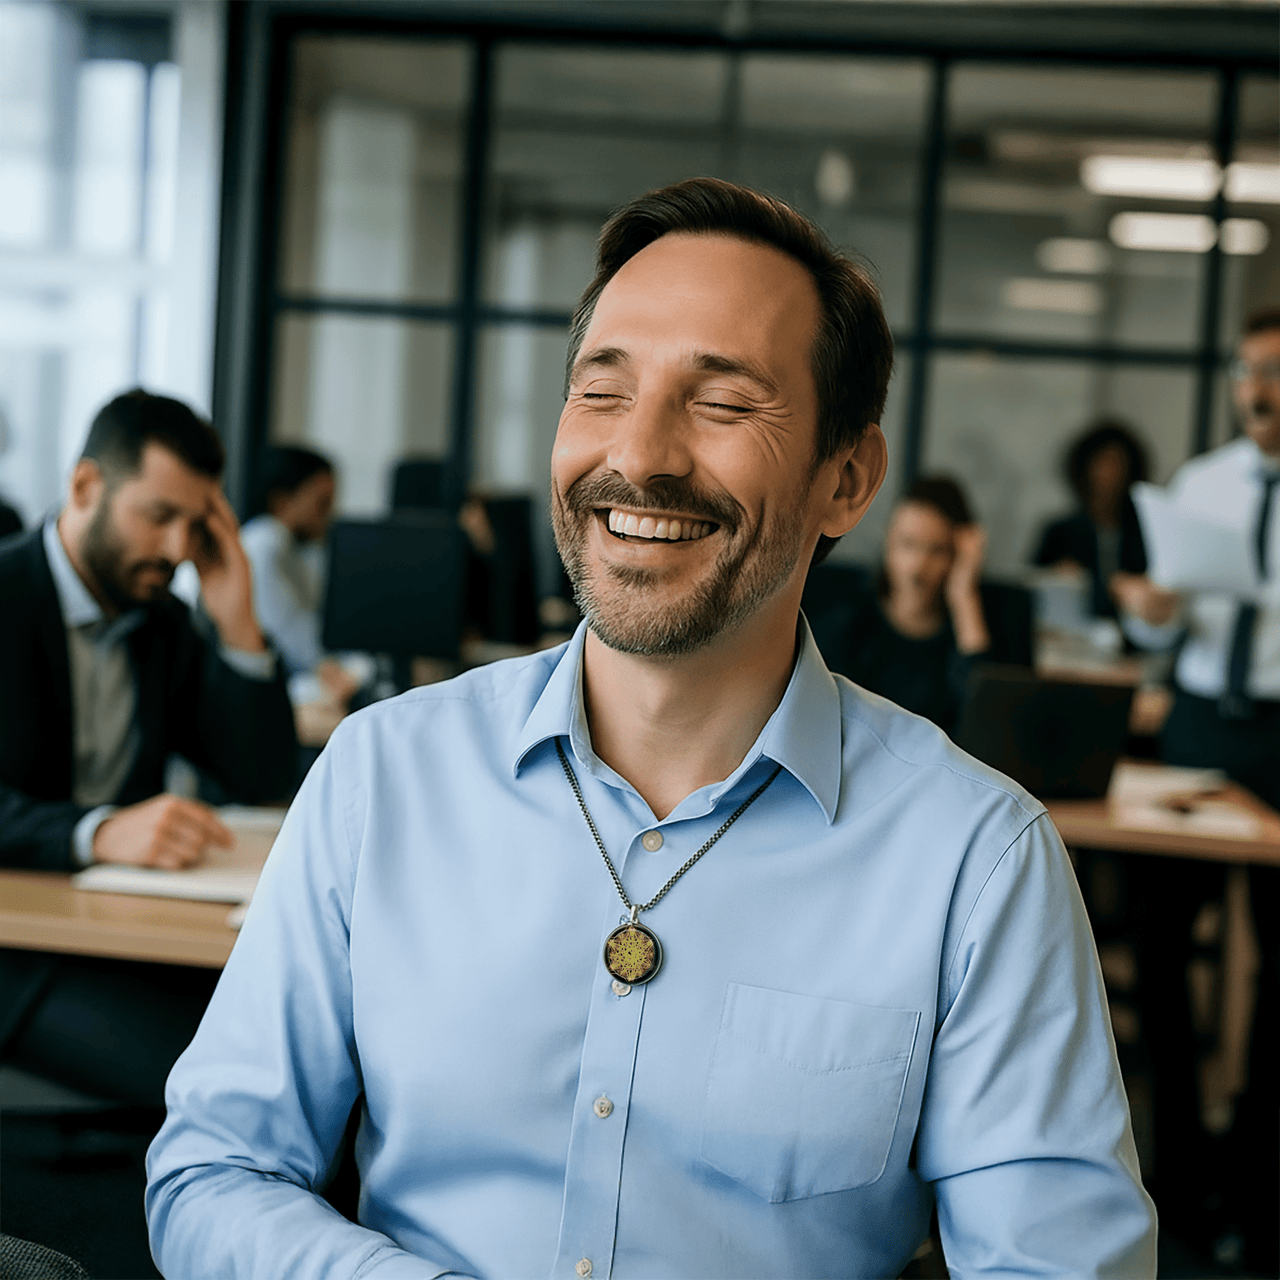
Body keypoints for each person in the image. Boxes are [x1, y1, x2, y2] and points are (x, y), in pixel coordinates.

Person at [146, 179, 1155, 1278]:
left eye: (720, 403)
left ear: (847, 478)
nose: (640, 454)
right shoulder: (381, 776)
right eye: (601, 390)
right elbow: (215, 1169)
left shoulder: (976, 860)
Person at [0, 389, 297, 1105]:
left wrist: (237, 622)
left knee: (304, 1046)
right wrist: (98, 833)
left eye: (195, 526)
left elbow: (260, 775)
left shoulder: (161, 622)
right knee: (237, 1087)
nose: (177, 550)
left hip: (122, 932)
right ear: (84, 487)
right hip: (19, 949)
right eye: (159, 516)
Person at [1113, 303, 1280, 1272]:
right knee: (1159, 946)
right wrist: (1150, 612)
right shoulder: (1201, 485)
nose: (1258, 388)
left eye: (1274, 371)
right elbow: (1155, 632)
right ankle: (1171, 1169)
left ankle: (1254, 1183)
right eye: (1247, 369)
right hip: (1196, 723)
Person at [811, 475, 989, 733]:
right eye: (908, 544)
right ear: (888, 543)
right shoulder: (846, 626)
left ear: (957, 556)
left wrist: (964, 598)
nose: (918, 566)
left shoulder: (972, 629)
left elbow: (985, 720)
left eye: (937, 550)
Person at [239, 444, 363, 707]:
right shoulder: (264, 542)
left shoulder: (298, 549)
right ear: (282, 502)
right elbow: (292, 636)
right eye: (322, 504)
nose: (329, 516)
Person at [1033, 419, 1149, 619]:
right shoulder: (1060, 532)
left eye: (1119, 465)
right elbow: (1034, 585)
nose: (1110, 475)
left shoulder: (1145, 534)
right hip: (1075, 627)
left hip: (1134, 628)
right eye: (1102, 464)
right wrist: (1056, 578)